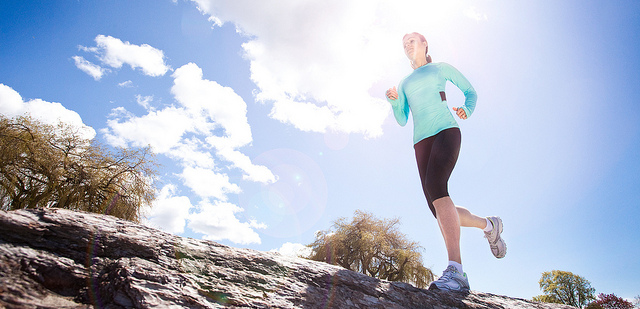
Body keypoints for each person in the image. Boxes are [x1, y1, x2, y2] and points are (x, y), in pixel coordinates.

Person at [385, 32, 506, 292]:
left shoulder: (440, 68)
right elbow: (402, 118)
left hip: (446, 131)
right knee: (438, 209)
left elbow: (470, 91)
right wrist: (394, 102)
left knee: (437, 187)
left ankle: (457, 271)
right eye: (404, 43)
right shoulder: (404, 82)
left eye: (412, 40)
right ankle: (489, 225)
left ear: (425, 43)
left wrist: (467, 108)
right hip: (421, 143)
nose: (407, 45)